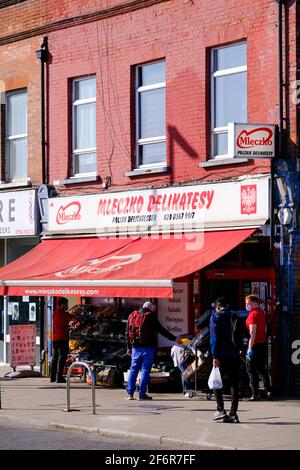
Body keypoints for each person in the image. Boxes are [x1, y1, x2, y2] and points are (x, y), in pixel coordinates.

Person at [126, 301, 183, 400]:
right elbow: (161, 330)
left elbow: (127, 332)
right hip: (148, 348)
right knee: (145, 370)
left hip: (135, 348)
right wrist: (174, 338)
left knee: (133, 370)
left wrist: (128, 347)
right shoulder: (150, 316)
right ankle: (141, 394)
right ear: (151, 308)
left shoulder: (132, 315)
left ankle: (130, 394)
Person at [210, 296, 240, 423]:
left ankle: (221, 409)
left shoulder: (215, 317)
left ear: (217, 307)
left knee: (216, 382)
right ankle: (233, 413)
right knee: (234, 383)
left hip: (221, 355)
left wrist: (214, 356)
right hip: (234, 354)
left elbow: (214, 339)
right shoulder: (234, 316)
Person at [244, 295, 272, 400]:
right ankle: (268, 391)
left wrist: (250, 348)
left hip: (254, 345)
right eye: (246, 303)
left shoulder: (252, 315)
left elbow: (252, 332)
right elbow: (264, 329)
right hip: (262, 344)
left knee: (251, 370)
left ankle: (255, 394)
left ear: (254, 303)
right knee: (262, 369)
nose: (247, 305)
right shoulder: (261, 313)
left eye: (249, 303)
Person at [50, 297, 74, 383]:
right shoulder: (63, 314)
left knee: (55, 357)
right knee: (62, 358)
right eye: (66, 304)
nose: (67, 306)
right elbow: (74, 319)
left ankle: (52, 377)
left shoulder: (55, 313)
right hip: (63, 338)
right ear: (63, 304)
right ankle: (59, 377)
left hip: (55, 339)